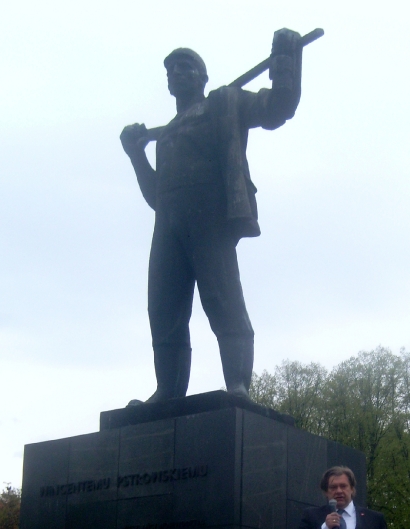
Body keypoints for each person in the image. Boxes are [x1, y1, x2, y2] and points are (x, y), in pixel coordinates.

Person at [119, 30, 303, 403]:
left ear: (203, 77)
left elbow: (279, 108)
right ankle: (167, 391)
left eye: (186, 66)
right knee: (163, 309)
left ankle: (238, 385)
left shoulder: (224, 103)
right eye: (171, 69)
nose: (177, 72)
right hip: (168, 223)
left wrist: (285, 61)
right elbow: (157, 196)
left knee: (223, 299)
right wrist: (136, 155)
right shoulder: (166, 136)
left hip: (209, 217)